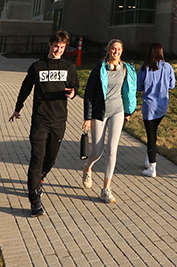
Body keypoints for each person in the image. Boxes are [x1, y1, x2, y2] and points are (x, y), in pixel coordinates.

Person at [9, 30, 78, 217]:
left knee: (51, 158)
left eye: (62, 48)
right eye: (56, 46)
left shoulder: (68, 67)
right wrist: (18, 108)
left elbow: (75, 86)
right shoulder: (37, 67)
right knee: (37, 159)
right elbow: (25, 87)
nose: (58, 50)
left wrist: (73, 93)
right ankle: (34, 199)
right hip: (40, 120)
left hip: (59, 120)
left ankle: (39, 180)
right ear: (50, 44)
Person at [82, 39, 136, 204]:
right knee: (97, 151)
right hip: (100, 112)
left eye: (118, 49)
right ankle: (87, 167)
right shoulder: (99, 68)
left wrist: (128, 111)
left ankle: (106, 189)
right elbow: (89, 93)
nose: (116, 52)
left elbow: (130, 90)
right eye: (113, 49)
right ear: (108, 50)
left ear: (122, 51)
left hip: (117, 111)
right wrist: (88, 117)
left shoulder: (126, 69)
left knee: (112, 149)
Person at [136, 43, 175, 178]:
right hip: (162, 105)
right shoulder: (168, 67)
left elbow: (139, 87)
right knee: (153, 133)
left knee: (151, 135)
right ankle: (149, 157)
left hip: (149, 106)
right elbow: (172, 84)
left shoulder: (144, 68)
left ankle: (152, 166)